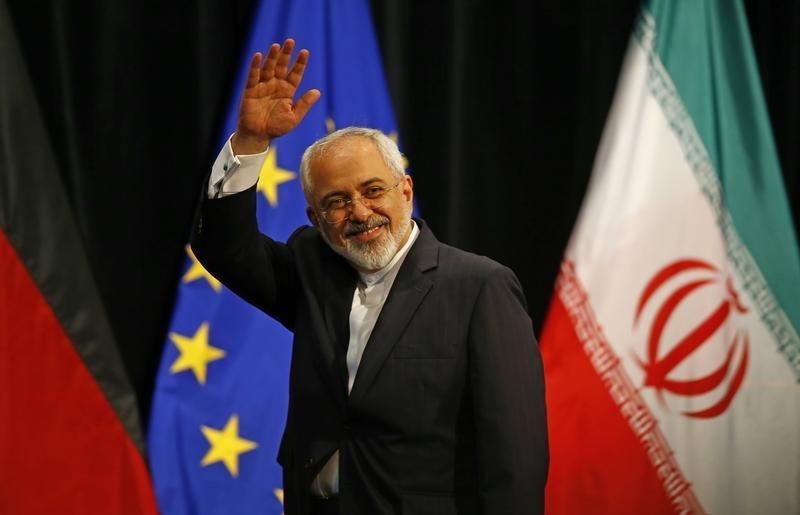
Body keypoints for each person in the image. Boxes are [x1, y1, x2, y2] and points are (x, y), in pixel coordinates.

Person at [192, 38, 548, 515]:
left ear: (406, 190)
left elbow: (515, 453)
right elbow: (223, 248)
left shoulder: (479, 287)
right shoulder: (310, 268)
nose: (360, 212)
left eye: (373, 190)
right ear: (315, 218)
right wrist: (251, 143)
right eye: (336, 202)